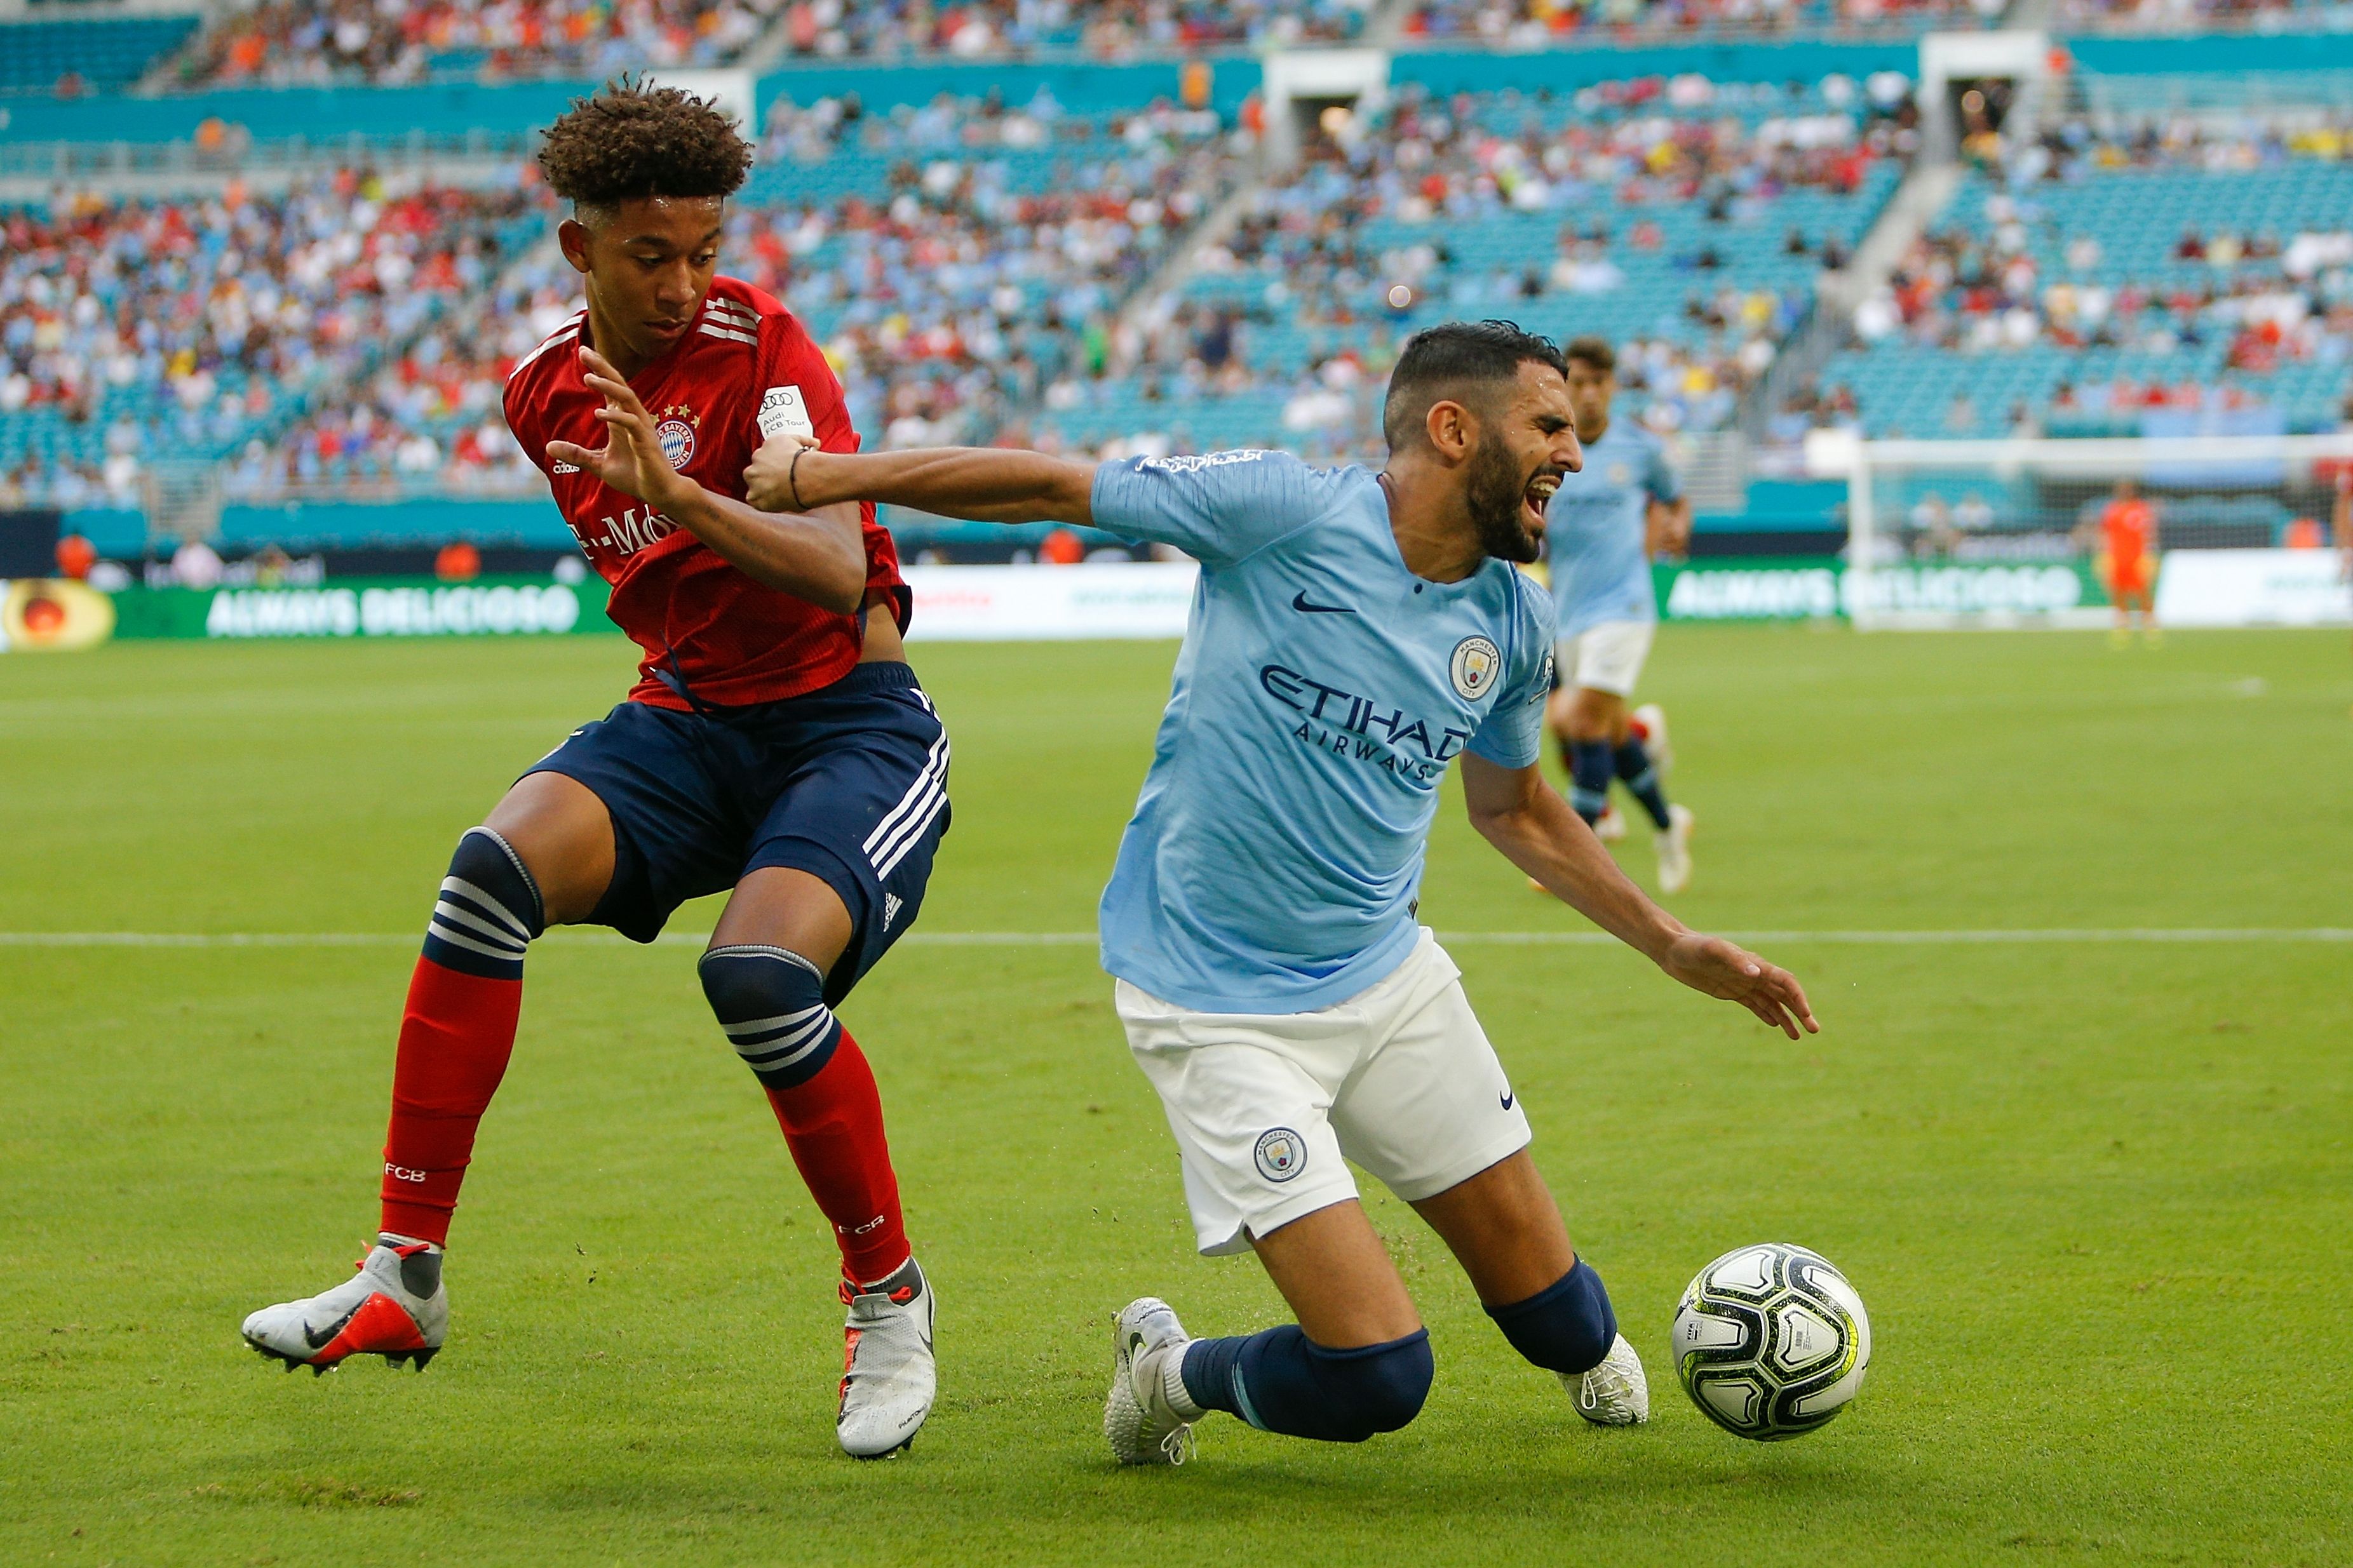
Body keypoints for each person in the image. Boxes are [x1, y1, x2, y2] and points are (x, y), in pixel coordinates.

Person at [746, 320, 1817, 1466]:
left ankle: (1570, 1332)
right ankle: (1167, 1368)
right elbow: (1049, 486)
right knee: (1375, 1374)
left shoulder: (1512, 618)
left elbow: (1511, 808)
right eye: (1547, 425)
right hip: (1214, 1005)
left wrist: (1667, 942)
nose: (1574, 452)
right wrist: (822, 475)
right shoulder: (1285, 511)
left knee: (1564, 1322)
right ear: (1452, 431)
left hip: (1388, 984)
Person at [239, 81, 948, 1461]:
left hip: (847, 722)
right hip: (688, 717)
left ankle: (889, 1299)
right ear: (581, 253)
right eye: (650, 255)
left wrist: (687, 494)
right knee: (485, 876)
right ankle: (405, 1275)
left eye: (703, 247)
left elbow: (833, 567)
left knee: (754, 977)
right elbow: (671, 612)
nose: (687, 281)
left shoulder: (769, 350)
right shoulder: (538, 391)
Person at [1539, 337, 1696, 893]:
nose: (1586, 394)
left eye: (1596, 384)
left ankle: (1571, 861)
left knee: (1581, 721)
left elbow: (1674, 498)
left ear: (1612, 387)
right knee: (1580, 724)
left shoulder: (1640, 448)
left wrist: (1672, 532)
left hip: (1625, 607)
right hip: (1568, 610)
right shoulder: (1548, 450)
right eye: (1575, 384)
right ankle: (1665, 817)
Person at [2094, 478, 2159, 646]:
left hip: (2137, 556)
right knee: (2118, 591)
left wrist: (2150, 552)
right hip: (2117, 557)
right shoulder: (2111, 510)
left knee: (2142, 591)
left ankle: (2150, 624)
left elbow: (2149, 532)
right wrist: (2103, 552)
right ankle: (2122, 625)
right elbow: (2104, 532)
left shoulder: (2140, 509)